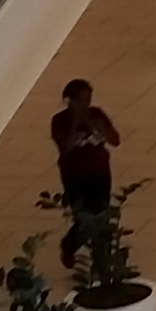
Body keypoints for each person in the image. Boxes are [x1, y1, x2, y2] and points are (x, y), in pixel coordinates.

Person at [51, 79, 120, 268]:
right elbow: (65, 148)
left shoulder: (96, 115)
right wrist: (75, 122)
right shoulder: (59, 121)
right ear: (70, 101)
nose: (86, 105)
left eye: (88, 100)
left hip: (100, 173)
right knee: (84, 217)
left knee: (101, 215)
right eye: (81, 101)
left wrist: (96, 125)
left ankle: (102, 258)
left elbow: (115, 140)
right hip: (75, 177)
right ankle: (70, 244)